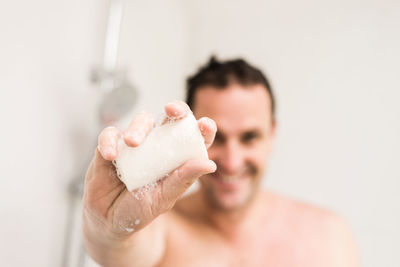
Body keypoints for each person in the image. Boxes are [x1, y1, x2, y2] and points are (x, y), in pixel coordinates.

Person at [82, 57, 360, 267]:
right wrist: (107, 229)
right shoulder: (162, 228)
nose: (232, 161)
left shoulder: (328, 235)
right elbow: (115, 250)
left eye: (249, 137)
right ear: (190, 138)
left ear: (272, 135)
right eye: (218, 137)